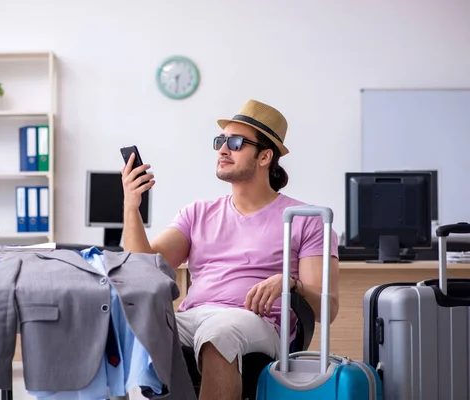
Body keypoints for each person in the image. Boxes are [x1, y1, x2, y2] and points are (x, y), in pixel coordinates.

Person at [121, 99, 340, 400]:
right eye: (220, 141)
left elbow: (327, 309)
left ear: (265, 156)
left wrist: (290, 284)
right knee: (127, 323)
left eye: (235, 142)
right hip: (194, 316)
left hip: (258, 323)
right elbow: (142, 269)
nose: (223, 149)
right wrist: (132, 207)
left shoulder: (306, 220)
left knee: (219, 332)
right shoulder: (197, 213)